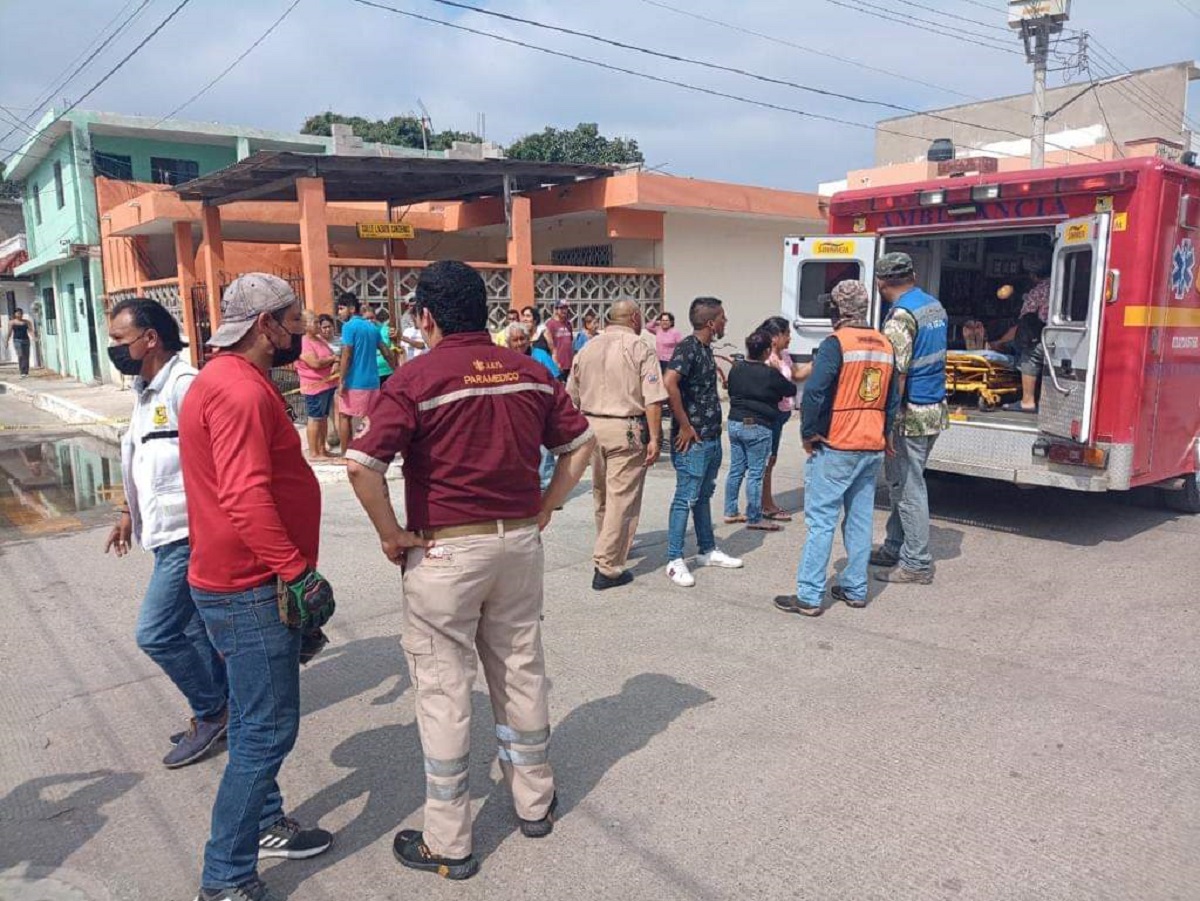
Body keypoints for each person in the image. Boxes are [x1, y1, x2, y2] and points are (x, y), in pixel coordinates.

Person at [346, 261, 594, 881]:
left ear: (425, 316)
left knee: (444, 689)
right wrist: (545, 507)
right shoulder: (532, 371)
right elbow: (579, 446)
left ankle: (449, 843)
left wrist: (391, 536)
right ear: (481, 311)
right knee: (521, 669)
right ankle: (534, 804)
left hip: (446, 553)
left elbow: (360, 465)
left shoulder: (415, 378)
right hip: (517, 545)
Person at [180, 273, 335, 901]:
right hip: (249, 586)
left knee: (251, 718)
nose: (302, 330)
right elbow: (245, 496)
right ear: (265, 325)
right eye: (294, 320)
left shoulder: (221, 379)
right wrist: (296, 571)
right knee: (266, 730)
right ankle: (226, 877)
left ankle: (266, 822)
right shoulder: (240, 391)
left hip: (233, 578)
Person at [103, 297, 228, 768]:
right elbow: (143, 458)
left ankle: (212, 711)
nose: (114, 348)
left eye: (120, 339)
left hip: (187, 533)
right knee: (192, 627)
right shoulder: (144, 387)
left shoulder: (186, 386)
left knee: (155, 633)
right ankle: (220, 706)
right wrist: (127, 513)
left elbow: (214, 460)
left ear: (150, 338)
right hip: (160, 529)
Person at [774, 280, 899, 616]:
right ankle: (856, 589)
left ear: (837, 311)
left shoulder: (836, 343)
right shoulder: (885, 344)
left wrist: (808, 433)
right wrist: (885, 435)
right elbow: (892, 398)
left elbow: (815, 392)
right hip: (871, 444)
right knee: (859, 520)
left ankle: (810, 596)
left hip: (838, 443)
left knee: (821, 521)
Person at [567, 300, 666, 590]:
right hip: (625, 427)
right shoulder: (639, 346)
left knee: (602, 493)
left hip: (591, 426)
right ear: (635, 318)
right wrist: (656, 437)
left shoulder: (587, 348)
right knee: (622, 497)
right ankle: (608, 566)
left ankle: (608, 546)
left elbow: (570, 395)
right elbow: (653, 398)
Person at [871, 252, 949, 586]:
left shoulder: (900, 318)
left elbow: (897, 375)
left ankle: (916, 563)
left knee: (906, 487)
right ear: (912, 275)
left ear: (881, 282)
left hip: (911, 413)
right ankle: (894, 546)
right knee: (907, 480)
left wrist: (887, 422)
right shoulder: (933, 305)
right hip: (934, 408)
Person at [663, 297, 743, 587]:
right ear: (711, 323)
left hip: (710, 436)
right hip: (692, 440)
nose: (725, 322)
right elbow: (669, 381)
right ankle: (674, 559)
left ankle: (706, 549)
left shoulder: (706, 349)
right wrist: (684, 425)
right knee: (685, 497)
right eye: (723, 318)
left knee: (703, 495)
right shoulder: (688, 347)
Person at [723, 330, 798, 532]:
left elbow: (730, 390)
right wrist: (778, 369)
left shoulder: (737, 368)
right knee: (756, 473)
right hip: (758, 424)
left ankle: (730, 511)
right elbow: (790, 390)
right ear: (766, 351)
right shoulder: (769, 373)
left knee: (737, 468)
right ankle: (755, 517)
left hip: (735, 422)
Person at [758, 316, 811, 521]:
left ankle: (765, 501)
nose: (789, 338)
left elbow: (796, 375)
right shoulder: (766, 359)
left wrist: (818, 361)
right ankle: (765, 504)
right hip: (769, 415)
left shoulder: (784, 355)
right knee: (766, 460)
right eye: (786, 334)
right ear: (775, 337)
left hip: (781, 415)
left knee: (771, 459)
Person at [989, 258, 1051, 413]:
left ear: (1033, 275)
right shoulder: (1062, 284)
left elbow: (1023, 325)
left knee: (1030, 359)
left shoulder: (1038, 292)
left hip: (1040, 335)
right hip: (1057, 336)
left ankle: (1027, 401)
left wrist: (999, 342)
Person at [336, 292, 395, 453]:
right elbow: (387, 352)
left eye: (341, 308)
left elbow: (346, 355)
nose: (339, 313)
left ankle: (345, 452)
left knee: (344, 416)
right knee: (370, 418)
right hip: (373, 382)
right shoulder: (372, 327)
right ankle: (371, 449)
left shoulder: (348, 327)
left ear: (351, 309)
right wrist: (397, 371)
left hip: (355, 382)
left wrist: (341, 381)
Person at [508, 323, 561, 489]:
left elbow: (556, 381)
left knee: (545, 451)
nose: (519, 343)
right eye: (515, 340)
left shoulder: (539, 355)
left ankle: (546, 489)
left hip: (541, 410)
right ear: (509, 343)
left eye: (522, 339)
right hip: (516, 413)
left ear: (529, 340)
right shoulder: (505, 359)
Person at [296, 310, 339, 461]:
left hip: (327, 385)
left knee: (323, 417)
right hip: (314, 386)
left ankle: (322, 449)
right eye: (314, 322)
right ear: (305, 325)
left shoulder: (319, 340)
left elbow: (332, 357)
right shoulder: (304, 342)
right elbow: (315, 363)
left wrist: (334, 360)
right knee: (315, 418)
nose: (318, 325)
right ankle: (314, 452)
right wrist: (332, 358)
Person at [544, 300, 575, 375]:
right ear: (556, 310)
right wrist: (555, 362)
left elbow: (570, 341)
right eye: (561, 308)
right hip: (558, 363)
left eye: (566, 308)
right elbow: (549, 345)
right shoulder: (550, 324)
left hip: (569, 363)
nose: (564, 311)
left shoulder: (568, 324)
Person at [5, 308, 34, 377]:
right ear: (15, 314)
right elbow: (9, 332)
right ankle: (22, 371)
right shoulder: (12, 322)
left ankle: (26, 372)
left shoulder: (27, 322)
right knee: (20, 355)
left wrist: (33, 337)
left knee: (26, 356)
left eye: (21, 313)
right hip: (17, 340)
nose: (20, 315)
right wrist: (7, 341)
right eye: (18, 313)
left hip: (26, 340)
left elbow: (30, 330)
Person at [375, 307, 396, 381]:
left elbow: (394, 348)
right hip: (374, 372)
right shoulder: (366, 332)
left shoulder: (387, 330)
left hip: (388, 370)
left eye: (372, 318)